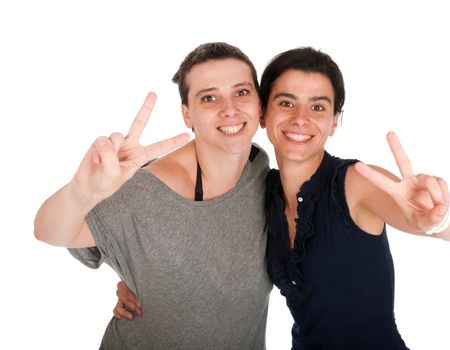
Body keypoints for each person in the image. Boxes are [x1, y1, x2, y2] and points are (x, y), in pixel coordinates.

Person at [114, 47, 450, 349]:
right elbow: (198, 234)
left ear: (335, 121)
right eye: (286, 103)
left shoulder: (355, 182)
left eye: (318, 107)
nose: (301, 119)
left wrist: (439, 218)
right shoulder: (258, 185)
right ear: (263, 114)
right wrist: (138, 280)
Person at [34, 42, 273, 349]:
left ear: (259, 105)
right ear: (187, 115)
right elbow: (49, 231)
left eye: (241, 92)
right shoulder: (146, 189)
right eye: (209, 97)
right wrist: (83, 191)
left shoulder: (263, 174)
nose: (230, 109)